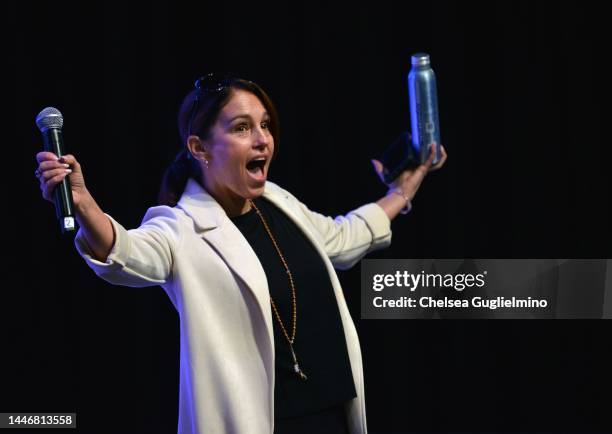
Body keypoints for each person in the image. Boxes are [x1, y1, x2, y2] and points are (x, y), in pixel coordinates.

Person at [35, 73, 447, 434]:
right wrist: (85, 203)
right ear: (199, 147)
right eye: (242, 128)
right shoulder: (181, 228)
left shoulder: (278, 201)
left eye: (265, 125)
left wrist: (402, 192)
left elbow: (343, 237)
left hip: (334, 416)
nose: (262, 138)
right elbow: (125, 252)